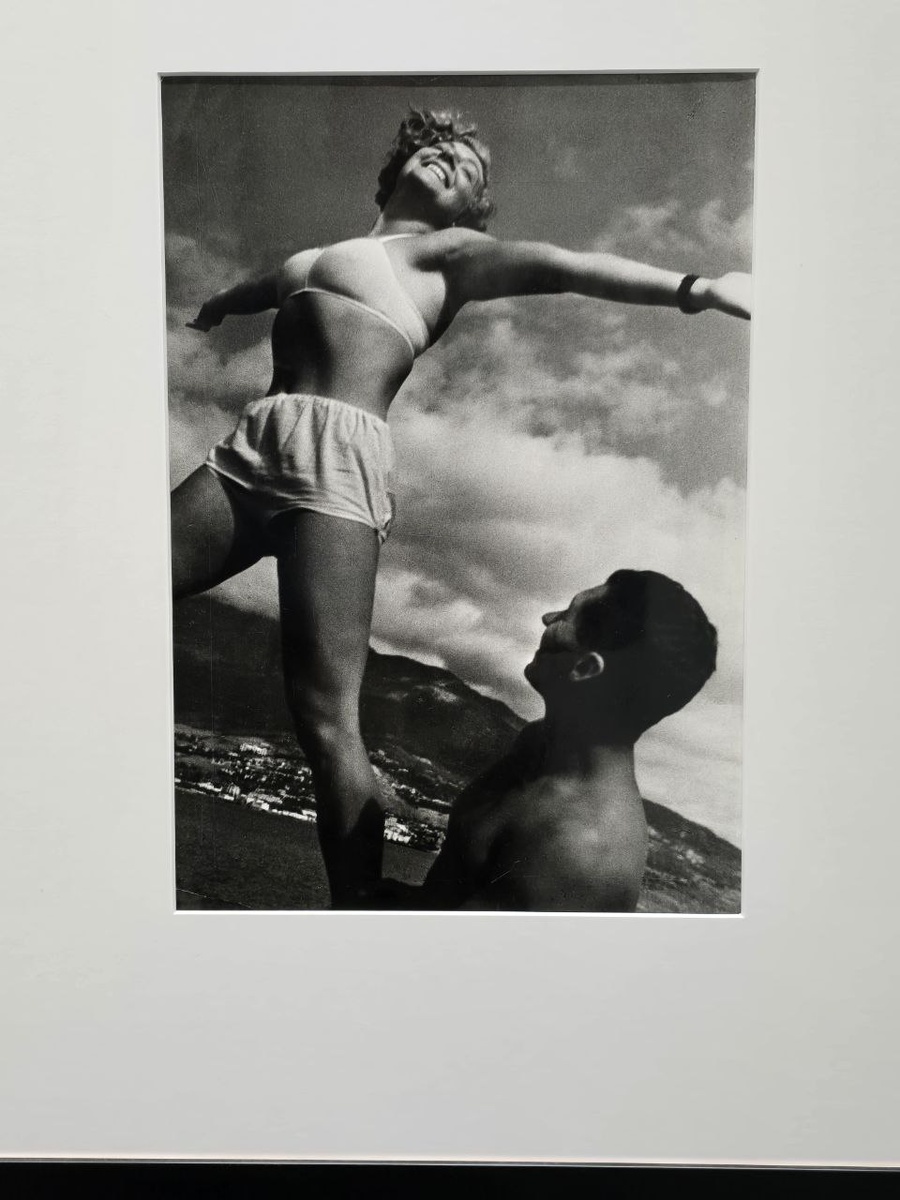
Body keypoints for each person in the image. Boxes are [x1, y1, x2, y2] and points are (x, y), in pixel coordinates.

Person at [173, 108, 749, 908]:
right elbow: (264, 286)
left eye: (468, 171)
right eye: (438, 149)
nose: (449, 160)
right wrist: (218, 307)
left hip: (338, 463)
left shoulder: (448, 257)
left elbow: (569, 267)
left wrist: (697, 290)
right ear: (400, 166)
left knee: (325, 718)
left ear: (469, 212)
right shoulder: (313, 258)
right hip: (254, 445)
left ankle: (355, 909)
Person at [368, 570, 718, 911]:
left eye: (566, 615)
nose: (547, 617)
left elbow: (452, 944)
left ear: (585, 668)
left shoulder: (579, 850)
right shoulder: (537, 745)